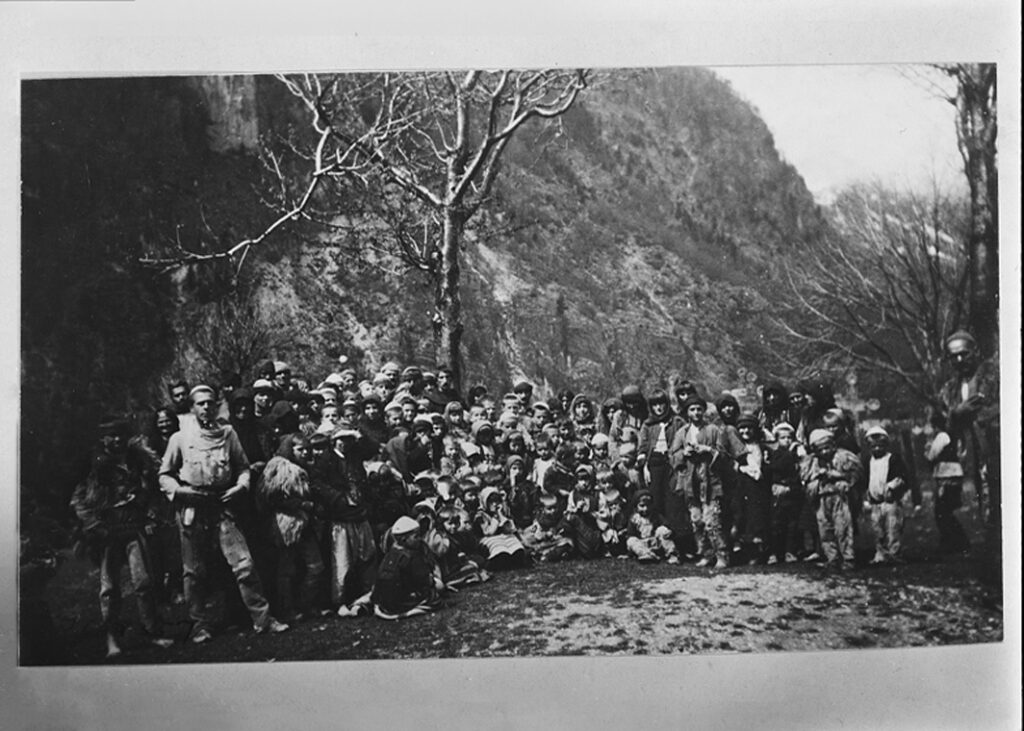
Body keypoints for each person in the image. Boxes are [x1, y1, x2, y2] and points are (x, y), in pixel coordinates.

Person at [158, 385, 289, 644]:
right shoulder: (180, 438)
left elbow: (242, 467)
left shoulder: (228, 434)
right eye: (200, 404)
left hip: (222, 505)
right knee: (194, 572)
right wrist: (182, 492)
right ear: (192, 407)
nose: (206, 408)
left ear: (217, 406)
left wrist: (240, 486)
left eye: (210, 403)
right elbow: (164, 475)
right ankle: (199, 625)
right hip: (193, 508)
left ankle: (263, 619)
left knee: (244, 564)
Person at [70, 416, 175, 658]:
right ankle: (112, 638)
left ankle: (153, 632)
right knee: (109, 587)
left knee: (144, 582)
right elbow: (78, 499)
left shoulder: (138, 458)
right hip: (106, 532)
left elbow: (152, 485)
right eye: (111, 435)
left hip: (133, 527)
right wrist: (94, 524)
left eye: (121, 435)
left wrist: (145, 503)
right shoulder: (94, 464)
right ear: (103, 438)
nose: (117, 440)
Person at [938, 331, 1000, 574]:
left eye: (965, 354)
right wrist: (957, 413)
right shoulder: (950, 389)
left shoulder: (993, 378)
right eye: (954, 357)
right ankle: (988, 555)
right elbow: (945, 422)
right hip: (968, 454)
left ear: (975, 353)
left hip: (994, 448)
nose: (960, 360)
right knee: (979, 502)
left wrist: (980, 417)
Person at [670, 395, 730, 569]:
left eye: (699, 409)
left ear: (704, 411)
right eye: (692, 409)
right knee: (697, 520)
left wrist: (708, 450)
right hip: (690, 481)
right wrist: (684, 453)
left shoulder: (713, 430)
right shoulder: (682, 432)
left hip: (710, 480)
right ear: (687, 412)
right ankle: (706, 553)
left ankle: (722, 554)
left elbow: (723, 454)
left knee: (712, 519)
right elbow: (673, 455)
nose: (696, 413)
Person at [801, 428, 862, 571]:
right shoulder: (811, 462)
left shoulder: (844, 457)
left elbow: (856, 474)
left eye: (827, 448)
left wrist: (839, 477)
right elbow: (805, 479)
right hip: (821, 498)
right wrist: (815, 481)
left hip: (839, 497)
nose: (824, 452)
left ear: (833, 445)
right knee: (825, 529)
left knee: (843, 527)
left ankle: (848, 558)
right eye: (820, 450)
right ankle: (832, 558)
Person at [371, 515, 444, 620]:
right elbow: (422, 580)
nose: (419, 539)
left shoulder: (390, 554)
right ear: (404, 540)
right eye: (416, 536)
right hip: (402, 600)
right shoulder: (412, 556)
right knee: (436, 594)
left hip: (385, 601)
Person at [860, 426, 912, 565]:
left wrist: (892, 487)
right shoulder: (868, 461)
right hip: (875, 502)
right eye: (873, 447)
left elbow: (902, 477)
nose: (877, 449)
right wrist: (866, 496)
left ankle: (894, 553)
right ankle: (880, 553)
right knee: (877, 529)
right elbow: (865, 480)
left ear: (886, 445)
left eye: (880, 446)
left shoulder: (893, 459)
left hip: (890, 501)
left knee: (892, 528)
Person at [924, 411, 970, 556]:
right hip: (955, 473)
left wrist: (928, 452)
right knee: (946, 511)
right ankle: (953, 541)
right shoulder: (956, 435)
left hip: (946, 475)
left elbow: (932, 455)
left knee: (942, 512)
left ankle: (955, 541)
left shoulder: (942, 436)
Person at [625, 490, 680, 564]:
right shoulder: (634, 519)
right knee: (631, 540)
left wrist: (669, 532)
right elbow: (631, 534)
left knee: (662, 530)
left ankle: (672, 554)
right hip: (642, 544)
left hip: (655, 543)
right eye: (642, 506)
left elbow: (667, 525)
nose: (645, 509)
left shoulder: (656, 516)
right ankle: (646, 554)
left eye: (648, 505)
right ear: (636, 506)